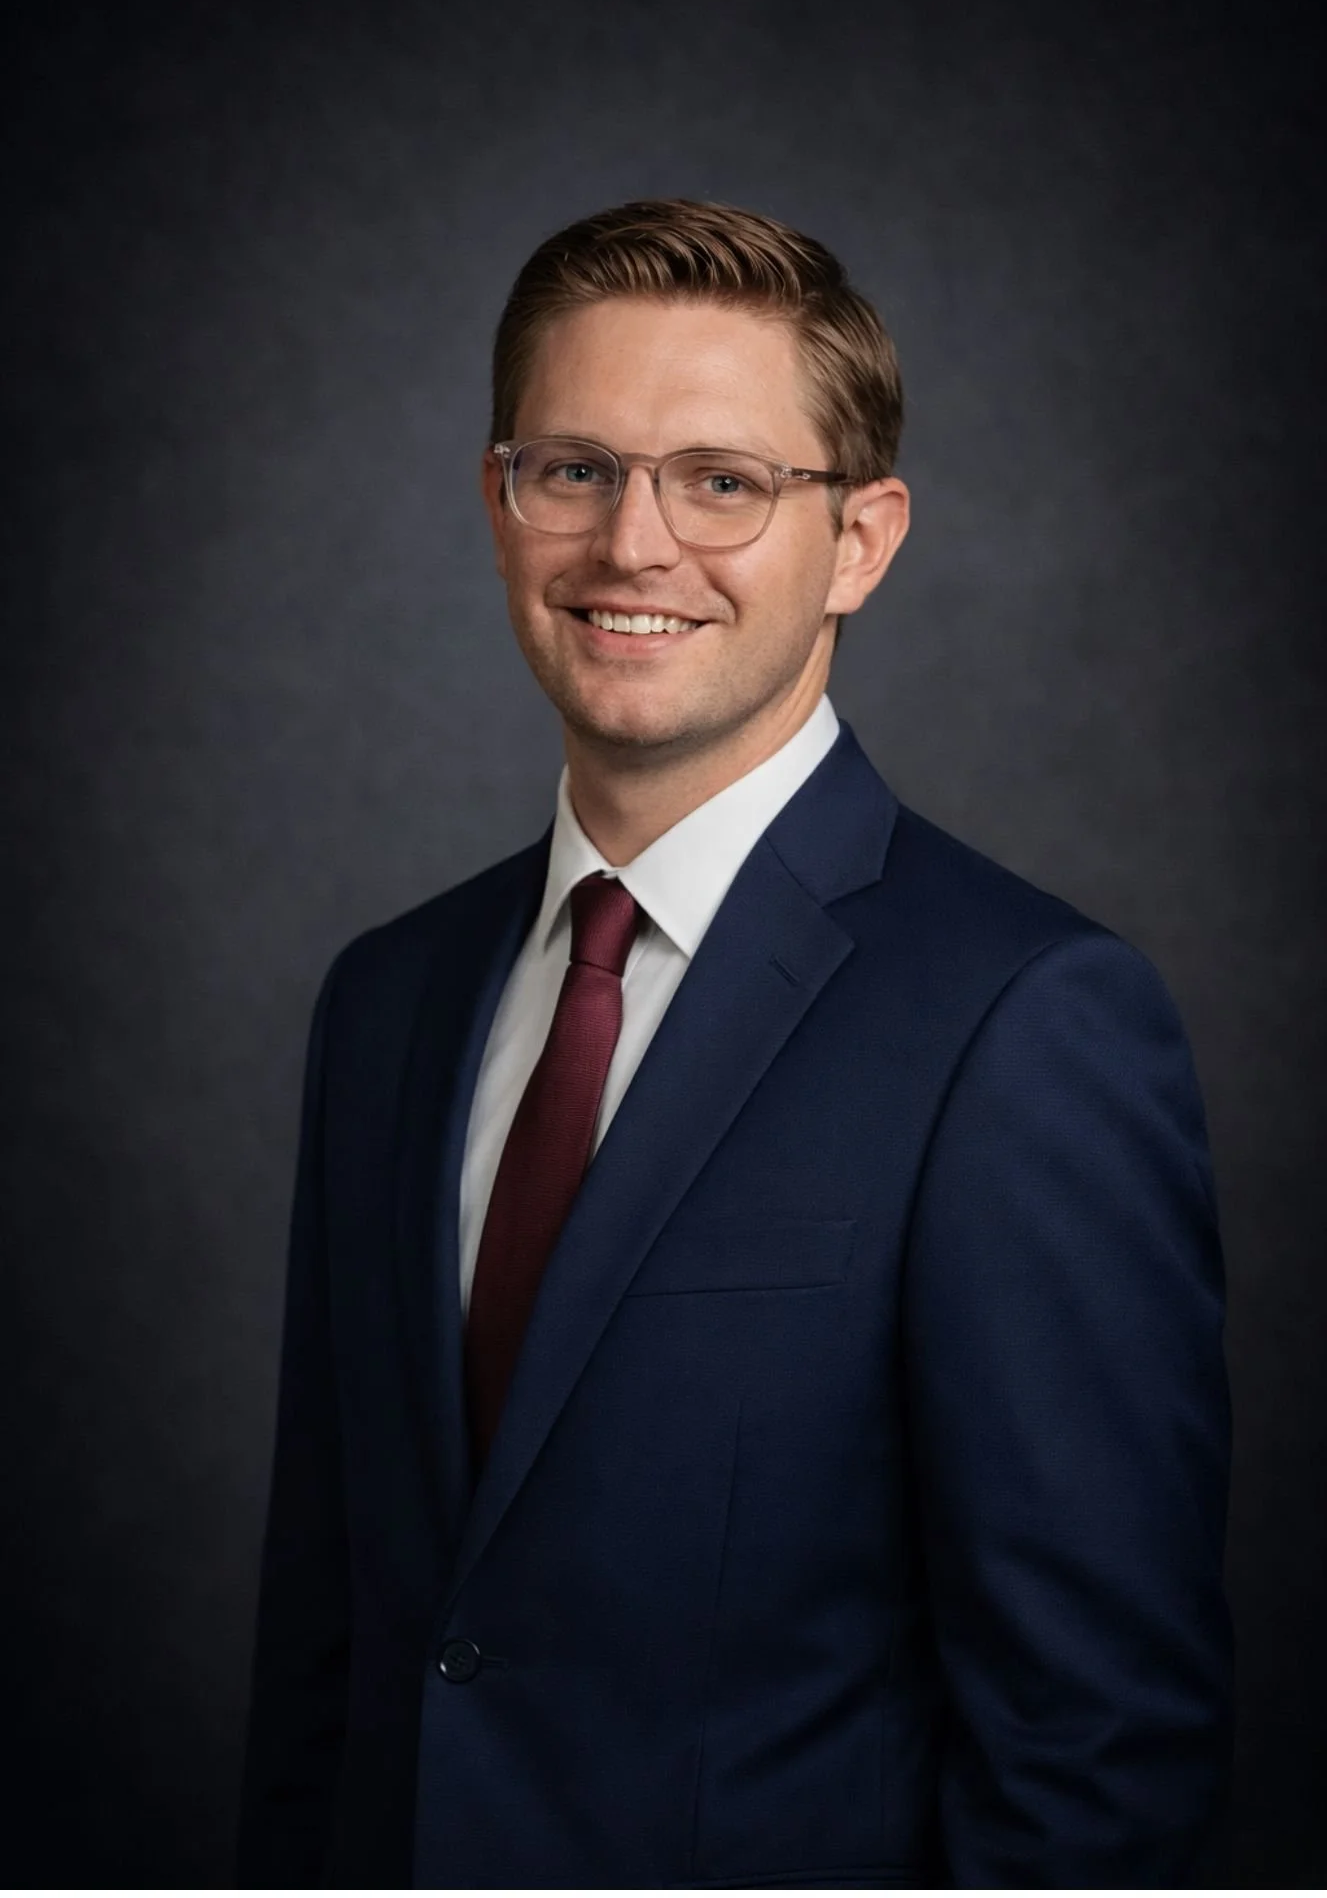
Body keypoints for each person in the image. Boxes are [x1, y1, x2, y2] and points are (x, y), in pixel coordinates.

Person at [237, 199, 1232, 1888]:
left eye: (723, 481)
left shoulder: (1026, 1020)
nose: (632, 545)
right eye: (574, 469)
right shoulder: (389, 1001)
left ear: (858, 541)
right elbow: (331, 1658)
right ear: (499, 506)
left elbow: (1095, 1754)